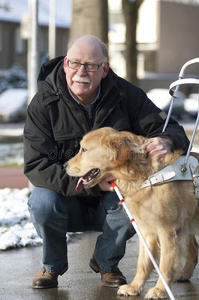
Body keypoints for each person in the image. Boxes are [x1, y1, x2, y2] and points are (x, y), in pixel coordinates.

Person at [24, 35, 190, 289]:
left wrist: (167, 140)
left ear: (104, 69)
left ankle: (106, 264)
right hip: (67, 197)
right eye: (75, 63)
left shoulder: (127, 94)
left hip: (114, 197)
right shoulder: (43, 103)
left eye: (91, 66)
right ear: (65, 63)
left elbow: (172, 129)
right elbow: (36, 167)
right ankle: (52, 267)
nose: (81, 72)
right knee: (41, 201)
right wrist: (92, 185)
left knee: (138, 195)